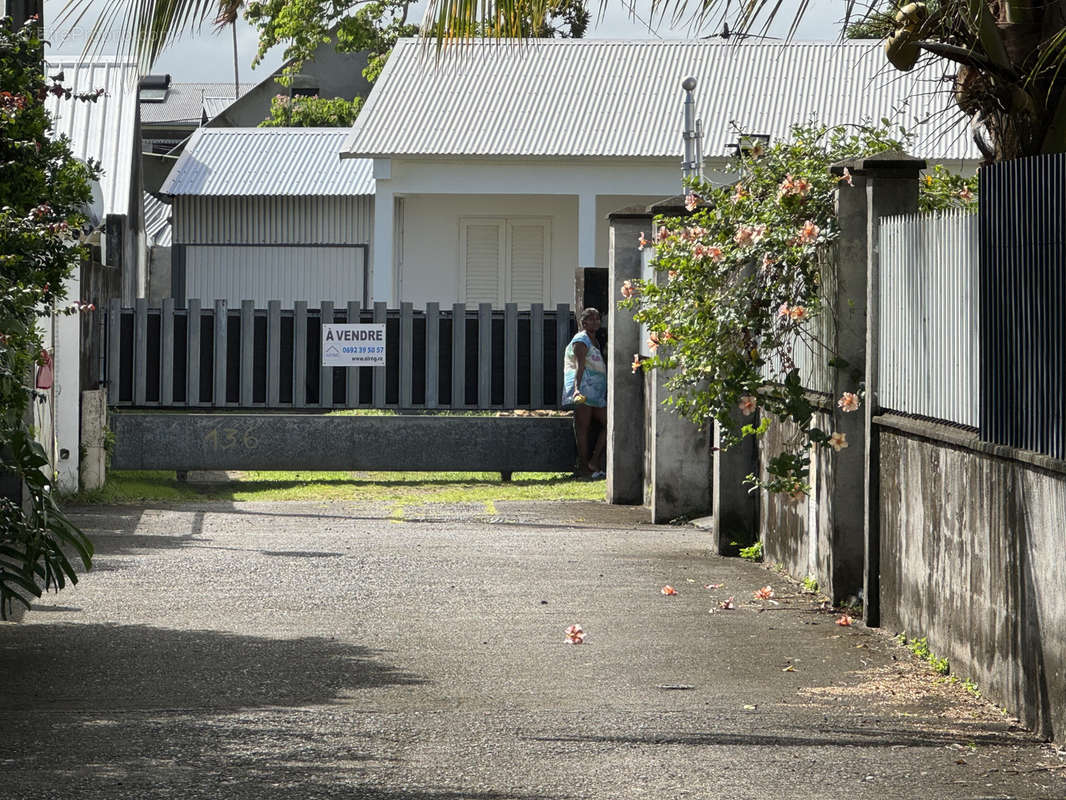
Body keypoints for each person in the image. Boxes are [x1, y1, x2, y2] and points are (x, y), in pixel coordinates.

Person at [562, 307, 607, 479]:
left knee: (608, 423)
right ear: (583, 322)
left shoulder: (594, 340)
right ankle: (584, 466)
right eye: (591, 319)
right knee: (583, 428)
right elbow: (579, 366)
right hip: (585, 389)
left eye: (597, 319)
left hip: (596, 393)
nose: (595, 322)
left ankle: (593, 461)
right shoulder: (581, 340)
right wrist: (576, 389)